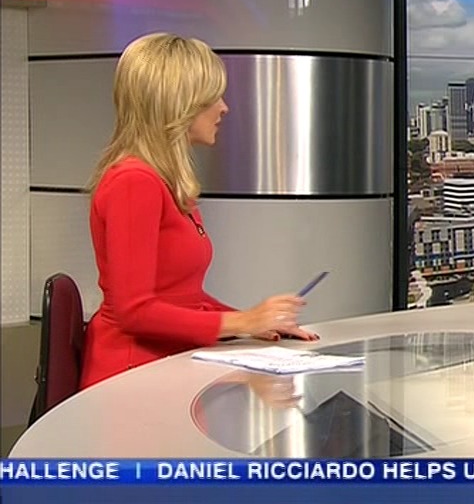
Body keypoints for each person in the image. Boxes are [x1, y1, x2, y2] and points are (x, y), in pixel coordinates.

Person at [80, 32, 319, 389]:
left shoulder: (167, 182)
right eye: (212, 97)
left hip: (167, 363)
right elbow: (134, 311)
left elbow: (184, 299)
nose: (224, 107)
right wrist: (243, 323)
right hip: (132, 376)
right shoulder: (134, 182)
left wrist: (255, 322)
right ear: (179, 103)